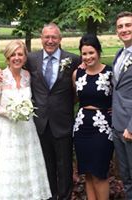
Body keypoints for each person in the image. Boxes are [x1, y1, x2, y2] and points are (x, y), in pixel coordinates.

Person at [0, 23, 81, 200]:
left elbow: (80, 88)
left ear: (60, 39)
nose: (50, 41)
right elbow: (12, 68)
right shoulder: (31, 59)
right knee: (44, 168)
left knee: (64, 169)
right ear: (41, 39)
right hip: (38, 124)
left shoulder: (73, 60)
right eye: (46, 37)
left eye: (54, 37)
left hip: (62, 122)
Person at [0, 40, 51, 200]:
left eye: (20, 54)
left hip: (26, 129)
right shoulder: (0, 77)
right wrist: (10, 113)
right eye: (13, 54)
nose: (16, 57)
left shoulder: (27, 76)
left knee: (26, 167)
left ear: (25, 57)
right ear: (7, 57)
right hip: (6, 130)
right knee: (9, 167)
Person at [72, 34, 114, 200]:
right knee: (87, 174)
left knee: (99, 173)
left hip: (102, 129)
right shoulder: (78, 74)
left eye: (91, 52)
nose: (88, 57)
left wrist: (115, 109)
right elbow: (75, 98)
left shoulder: (110, 73)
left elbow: (121, 96)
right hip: (82, 127)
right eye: (84, 53)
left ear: (98, 52)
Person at [112, 11, 132, 200]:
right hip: (118, 125)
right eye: (120, 26)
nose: (124, 29)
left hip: (130, 128)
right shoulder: (120, 54)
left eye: (128, 25)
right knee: (125, 177)